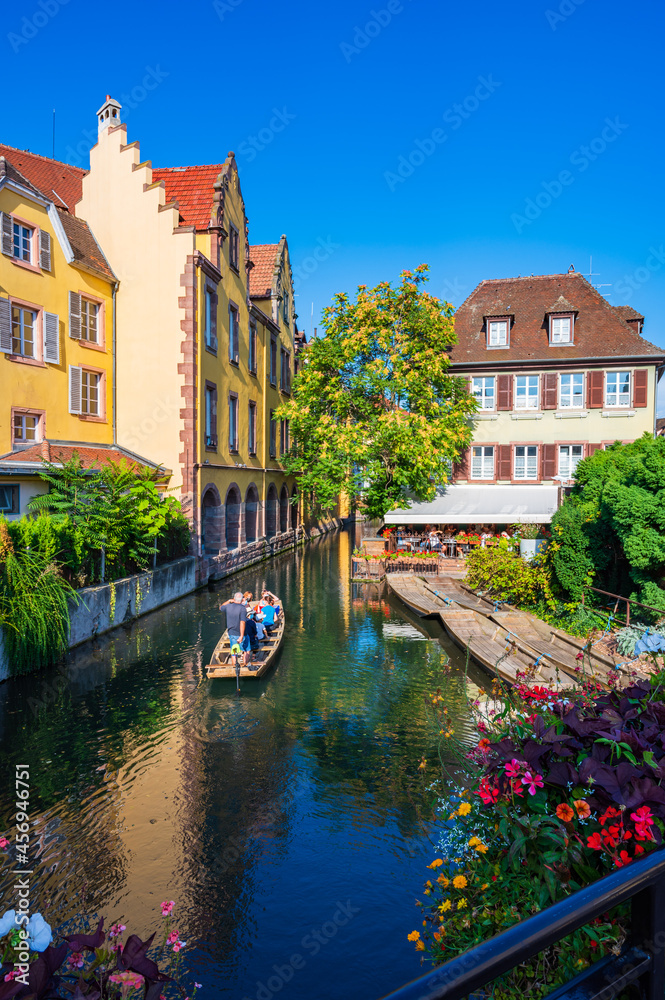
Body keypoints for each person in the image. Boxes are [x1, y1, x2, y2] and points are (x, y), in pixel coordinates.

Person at [221, 592, 250, 666]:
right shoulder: (242, 608)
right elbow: (242, 622)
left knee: (233, 650)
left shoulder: (228, 606)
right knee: (246, 650)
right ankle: (245, 664)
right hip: (242, 633)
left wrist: (230, 601)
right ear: (241, 600)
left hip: (232, 632)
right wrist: (241, 635)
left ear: (234, 598)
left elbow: (221, 607)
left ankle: (234, 665)